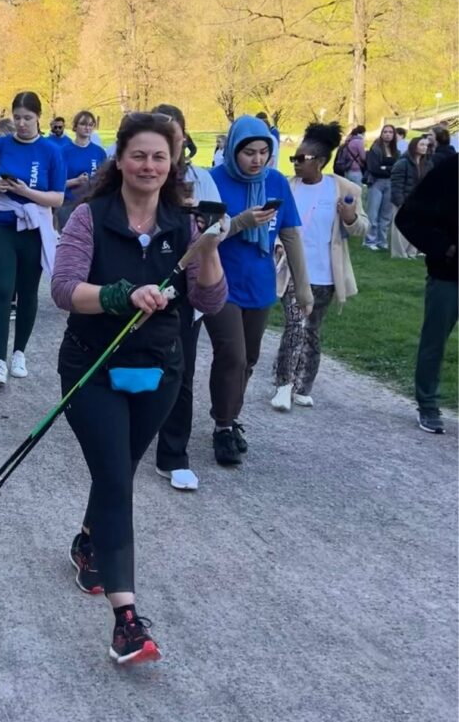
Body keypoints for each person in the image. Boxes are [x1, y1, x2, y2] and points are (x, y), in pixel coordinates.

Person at [50, 111, 227, 665]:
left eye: (159, 156)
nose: (149, 165)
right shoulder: (89, 217)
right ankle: (127, 621)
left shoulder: (183, 223)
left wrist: (211, 246)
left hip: (159, 370)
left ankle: (87, 542)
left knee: (117, 469)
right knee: (116, 477)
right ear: (120, 159)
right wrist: (120, 294)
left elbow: (209, 302)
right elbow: (63, 290)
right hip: (92, 365)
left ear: (173, 163)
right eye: (139, 155)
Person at [207, 115, 312, 463]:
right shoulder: (213, 182)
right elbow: (201, 237)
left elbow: (291, 234)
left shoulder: (277, 183)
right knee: (232, 355)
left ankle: (230, 417)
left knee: (248, 359)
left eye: (263, 152)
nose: (256, 159)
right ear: (233, 150)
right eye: (248, 152)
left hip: (260, 283)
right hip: (219, 282)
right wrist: (241, 222)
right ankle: (223, 427)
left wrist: (303, 288)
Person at [0, 91, 65, 388]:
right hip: (0, 224)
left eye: (27, 118)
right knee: (2, 288)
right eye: (17, 118)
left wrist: (26, 192)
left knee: (28, 291)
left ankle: (19, 352)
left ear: (39, 118)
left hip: (34, 226)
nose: (22, 124)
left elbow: (57, 198)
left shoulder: (50, 151)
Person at [150, 104, 223, 492]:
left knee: (181, 371)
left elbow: (220, 226)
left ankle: (173, 454)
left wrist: (205, 226)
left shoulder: (200, 179)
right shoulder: (140, 173)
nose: (166, 146)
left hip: (185, 290)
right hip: (140, 284)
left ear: (184, 140)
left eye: (173, 138)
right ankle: (127, 431)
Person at [271, 123, 368, 411]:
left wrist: (350, 217)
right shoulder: (287, 187)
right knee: (295, 324)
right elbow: (275, 223)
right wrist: (276, 243)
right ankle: (283, 385)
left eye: (301, 159)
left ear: (321, 161)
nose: (296, 163)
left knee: (311, 328)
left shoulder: (343, 189)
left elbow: (362, 227)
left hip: (326, 273)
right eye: (294, 159)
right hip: (292, 271)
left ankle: (303, 386)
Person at [395, 155, 457, 434]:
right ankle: (428, 403)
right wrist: (445, 248)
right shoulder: (449, 170)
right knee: (434, 341)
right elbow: (407, 217)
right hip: (449, 276)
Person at [57, 109, 107, 230]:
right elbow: (55, 184)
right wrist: (76, 181)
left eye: (90, 125)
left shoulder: (99, 152)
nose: (87, 128)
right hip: (68, 204)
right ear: (75, 127)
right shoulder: (63, 151)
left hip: (92, 203)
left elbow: (105, 180)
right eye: (83, 124)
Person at [390, 136, 432, 258]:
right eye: (421, 145)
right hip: (403, 200)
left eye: (426, 145)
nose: (424, 148)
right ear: (414, 146)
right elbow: (397, 184)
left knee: (416, 228)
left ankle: (411, 252)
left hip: (418, 202)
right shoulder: (402, 163)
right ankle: (399, 254)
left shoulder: (427, 164)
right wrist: (400, 202)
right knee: (399, 228)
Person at [364, 125, 399, 250]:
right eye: (385, 132)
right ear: (381, 133)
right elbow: (374, 168)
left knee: (385, 214)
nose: (388, 134)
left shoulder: (396, 151)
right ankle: (370, 241)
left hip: (390, 183)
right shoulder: (375, 149)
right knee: (373, 213)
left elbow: (396, 168)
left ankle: (382, 241)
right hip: (376, 182)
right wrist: (387, 169)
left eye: (390, 132)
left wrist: (385, 168)